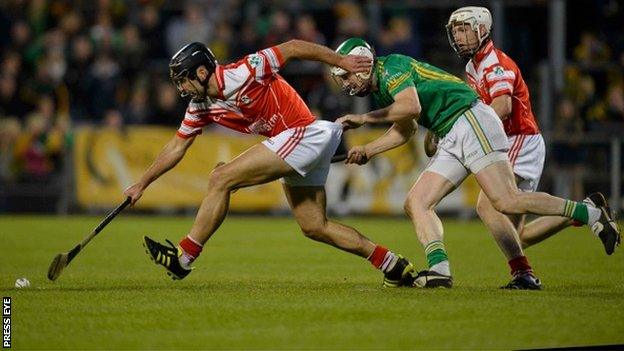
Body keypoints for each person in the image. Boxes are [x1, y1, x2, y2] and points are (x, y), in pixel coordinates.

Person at [331, 37, 620, 290]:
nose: (345, 84)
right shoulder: (382, 86)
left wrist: (364, 119)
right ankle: (439, 270)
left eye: (346, 76)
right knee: (417, 202)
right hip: (450, 131)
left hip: (470, 120)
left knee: (505, 201)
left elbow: (411, 107)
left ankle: (589, 212)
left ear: (363, 64)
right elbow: (405, 128)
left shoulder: (391, 67)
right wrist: (369, 149)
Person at [123, 40, 416, 287]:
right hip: (301, 144)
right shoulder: (199, 107)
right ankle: (391, 263)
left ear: (201, 71)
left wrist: (342, 61)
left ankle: (183, 258)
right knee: (314, 226)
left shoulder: (245, 70)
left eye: (183, 80)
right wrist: (141, 184)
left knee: (221, 177)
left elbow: (293, 47)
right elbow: (176, 146)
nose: (182, 88)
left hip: (304, 134)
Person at [441, 7, 617, 256]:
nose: (457, 36)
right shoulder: (473, 67)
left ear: (481, 29)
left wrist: (464, 127)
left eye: (463, 29)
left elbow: (502, 106)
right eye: (455, 31)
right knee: (518, 236)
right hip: (513, 140)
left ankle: (528, 269)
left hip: (517, 139)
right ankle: (587, 207)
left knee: (489, 206)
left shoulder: (496, 64)